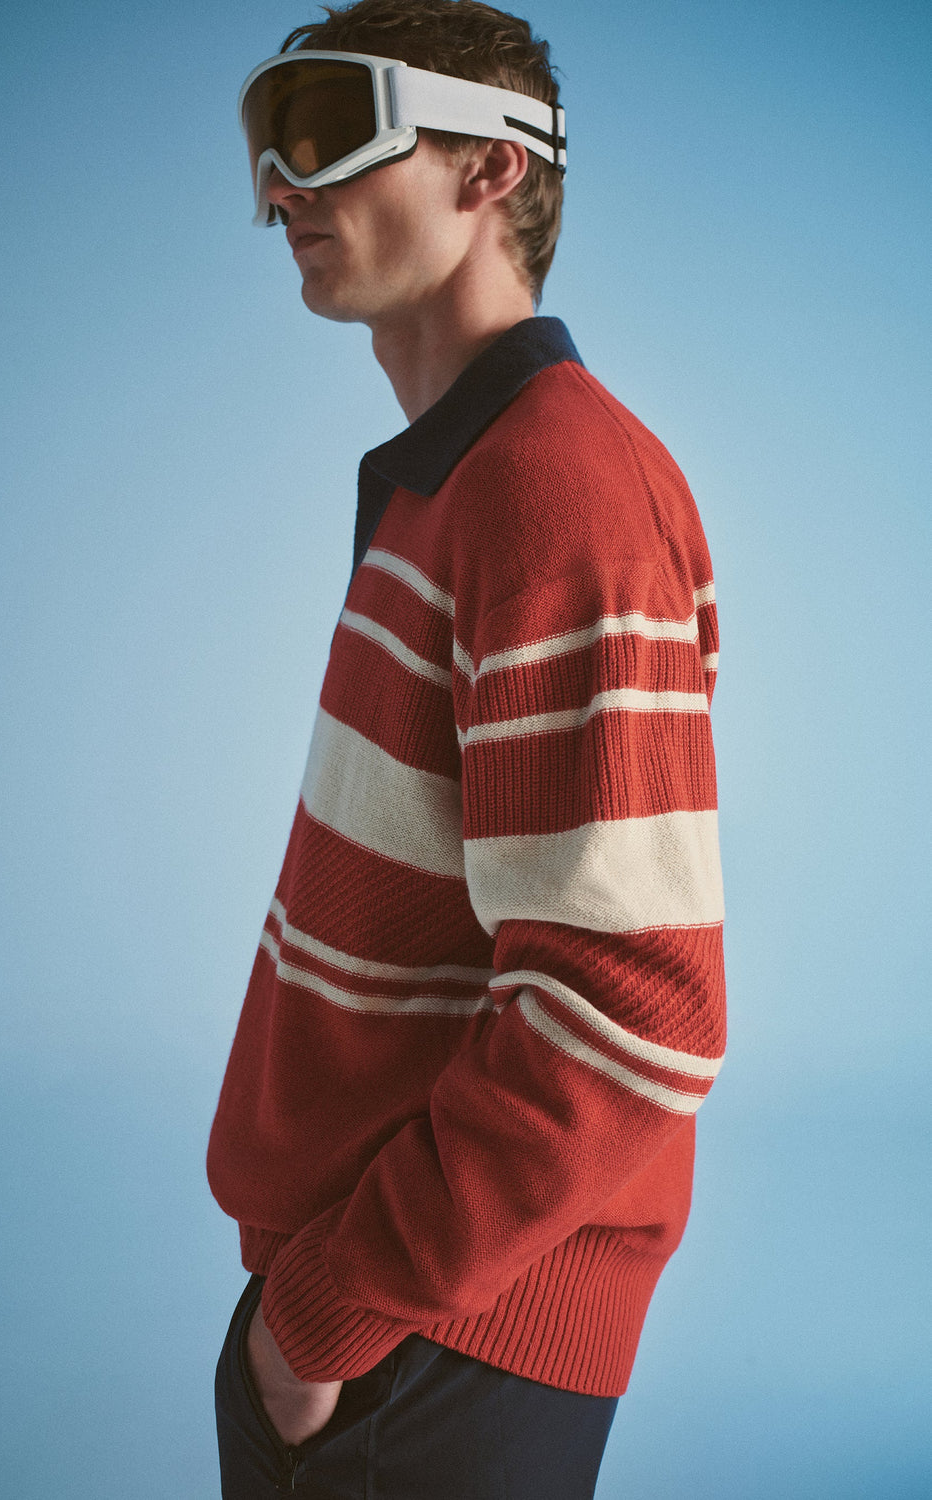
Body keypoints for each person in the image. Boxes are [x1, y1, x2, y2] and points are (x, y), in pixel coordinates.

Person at [208, 2, 726, 1495]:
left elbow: (630, 1004)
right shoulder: (462, 481)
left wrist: (321, 1322)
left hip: (433, 1333)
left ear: (491, 167)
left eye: (329, 129)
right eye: (267, 144)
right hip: (383, 1303)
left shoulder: (558, 490)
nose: (280, 187)